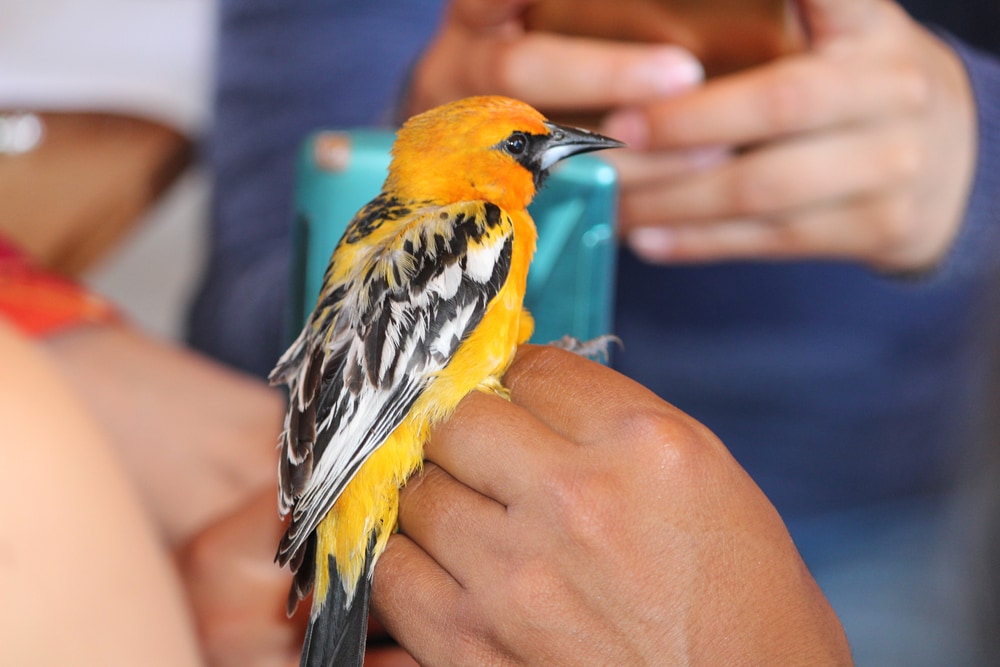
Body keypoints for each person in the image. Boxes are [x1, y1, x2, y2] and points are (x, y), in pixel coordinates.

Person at [190, 0, 1000, 663]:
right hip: (444, 523)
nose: (549, 154)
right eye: (522, 146)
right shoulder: (478, 224)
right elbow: (364, 359)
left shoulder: (417, 220)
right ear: (469, 163)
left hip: (884, 503)